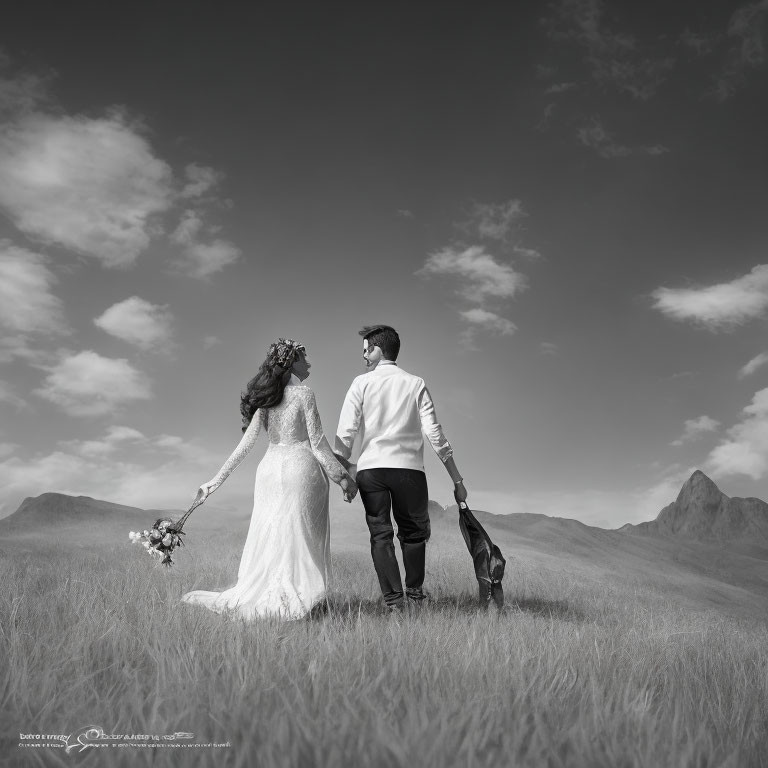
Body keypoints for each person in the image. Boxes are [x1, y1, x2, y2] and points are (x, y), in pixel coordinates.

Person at [181, 338, 357, 620]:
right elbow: (319, 444)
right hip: (301, 469)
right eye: (303, 358)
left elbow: (245, 446)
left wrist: (213, 482)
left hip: (268, 471)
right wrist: (343, 478)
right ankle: (301, 593)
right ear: (291, 362)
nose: (308, 363)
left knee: (272, 530)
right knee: (299, 532)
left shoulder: (266, 401)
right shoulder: (305, 395)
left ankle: (267, 589)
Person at [334, 325, 466, 612]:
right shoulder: (415, 383)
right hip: (409, 471)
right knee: (414, 535)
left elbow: (345, 435)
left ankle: (394, 604)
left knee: (380, 534)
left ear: (380, 349)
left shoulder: (360, 383)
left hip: (371, 470)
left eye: (366, 349)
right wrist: (457, 480)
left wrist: (345, 474)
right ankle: (416, 597)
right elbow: (435, 435)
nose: (363, 356)